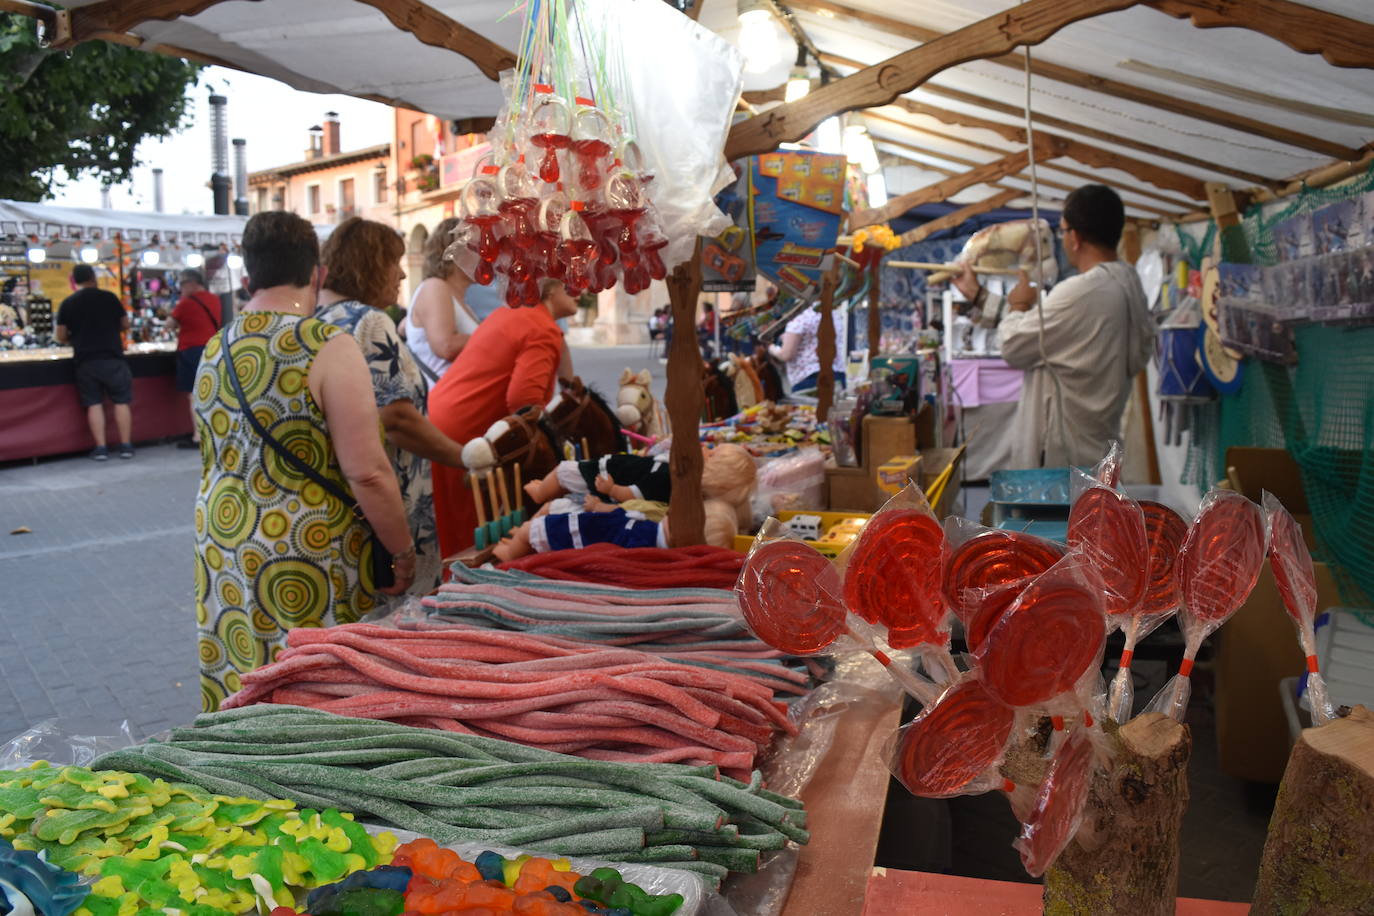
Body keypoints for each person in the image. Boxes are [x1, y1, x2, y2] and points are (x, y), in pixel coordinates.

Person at [192, 211, 413, 712]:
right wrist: (400, 552)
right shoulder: (326, 346)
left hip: (222, 539)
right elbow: (367, 471)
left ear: (249, 275)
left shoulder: (214, 348)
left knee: (243, 668)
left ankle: (236, 765)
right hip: (306, 546)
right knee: (314, 687)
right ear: (318, 273)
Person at [955, 184, 1155, 469]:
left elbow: (1013, 345)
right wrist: (979, 295)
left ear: (1074, 237)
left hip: (1064, 457)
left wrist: (1018, 305)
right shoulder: (1128, 283)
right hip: (1097, 446)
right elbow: (1049, 332)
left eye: (1062, 230)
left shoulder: (1083, 290)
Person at [315, 216, 464, 595]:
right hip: (394, 499)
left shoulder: (317, 320)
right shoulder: (369, 323)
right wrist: (465, 457)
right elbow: (397, 417)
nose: (400, 274)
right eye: (392, 262)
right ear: (369, 264)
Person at [428, 278, 579, 557]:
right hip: (471, 430)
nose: (580, 290)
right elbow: (524, 403)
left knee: (464, 534)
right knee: (476, 539)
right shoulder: (541, 327)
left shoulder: (515, 313)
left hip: (450, 421)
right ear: (548, 288)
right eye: (569, 283)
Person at [55, 264, 133, 460]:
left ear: (75, 281)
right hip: (113, 357)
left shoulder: (68, 303)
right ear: (93, 277)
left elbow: (61, 335)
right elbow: (125, 324)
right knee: (121, 401)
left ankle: (101, 448)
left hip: (86, 360)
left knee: (94, 403)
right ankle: (126, 446)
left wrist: (77, 337)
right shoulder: (109, 298)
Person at [402, 217, 484, 384]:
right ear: (456, 252)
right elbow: (446, 346)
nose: (485, 255)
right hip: (442, 402)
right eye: (478, 248)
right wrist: (496, 334)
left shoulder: (454, 296)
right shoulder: (435, 287)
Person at [166, 268, 222, 449]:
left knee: (194, 394)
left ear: (191, 283)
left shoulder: (185, 303)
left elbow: (169, 325)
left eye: (182, 284)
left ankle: (198, 435)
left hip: (191, 350)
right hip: (213, 348)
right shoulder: (215, 300)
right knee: (212, 392)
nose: (180, 289)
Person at [769, 304, 847, 392]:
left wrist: (771, 348)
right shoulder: (833, 313)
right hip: (837, 374)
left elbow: (786, 354)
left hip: (810, 379)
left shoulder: (800, 318)